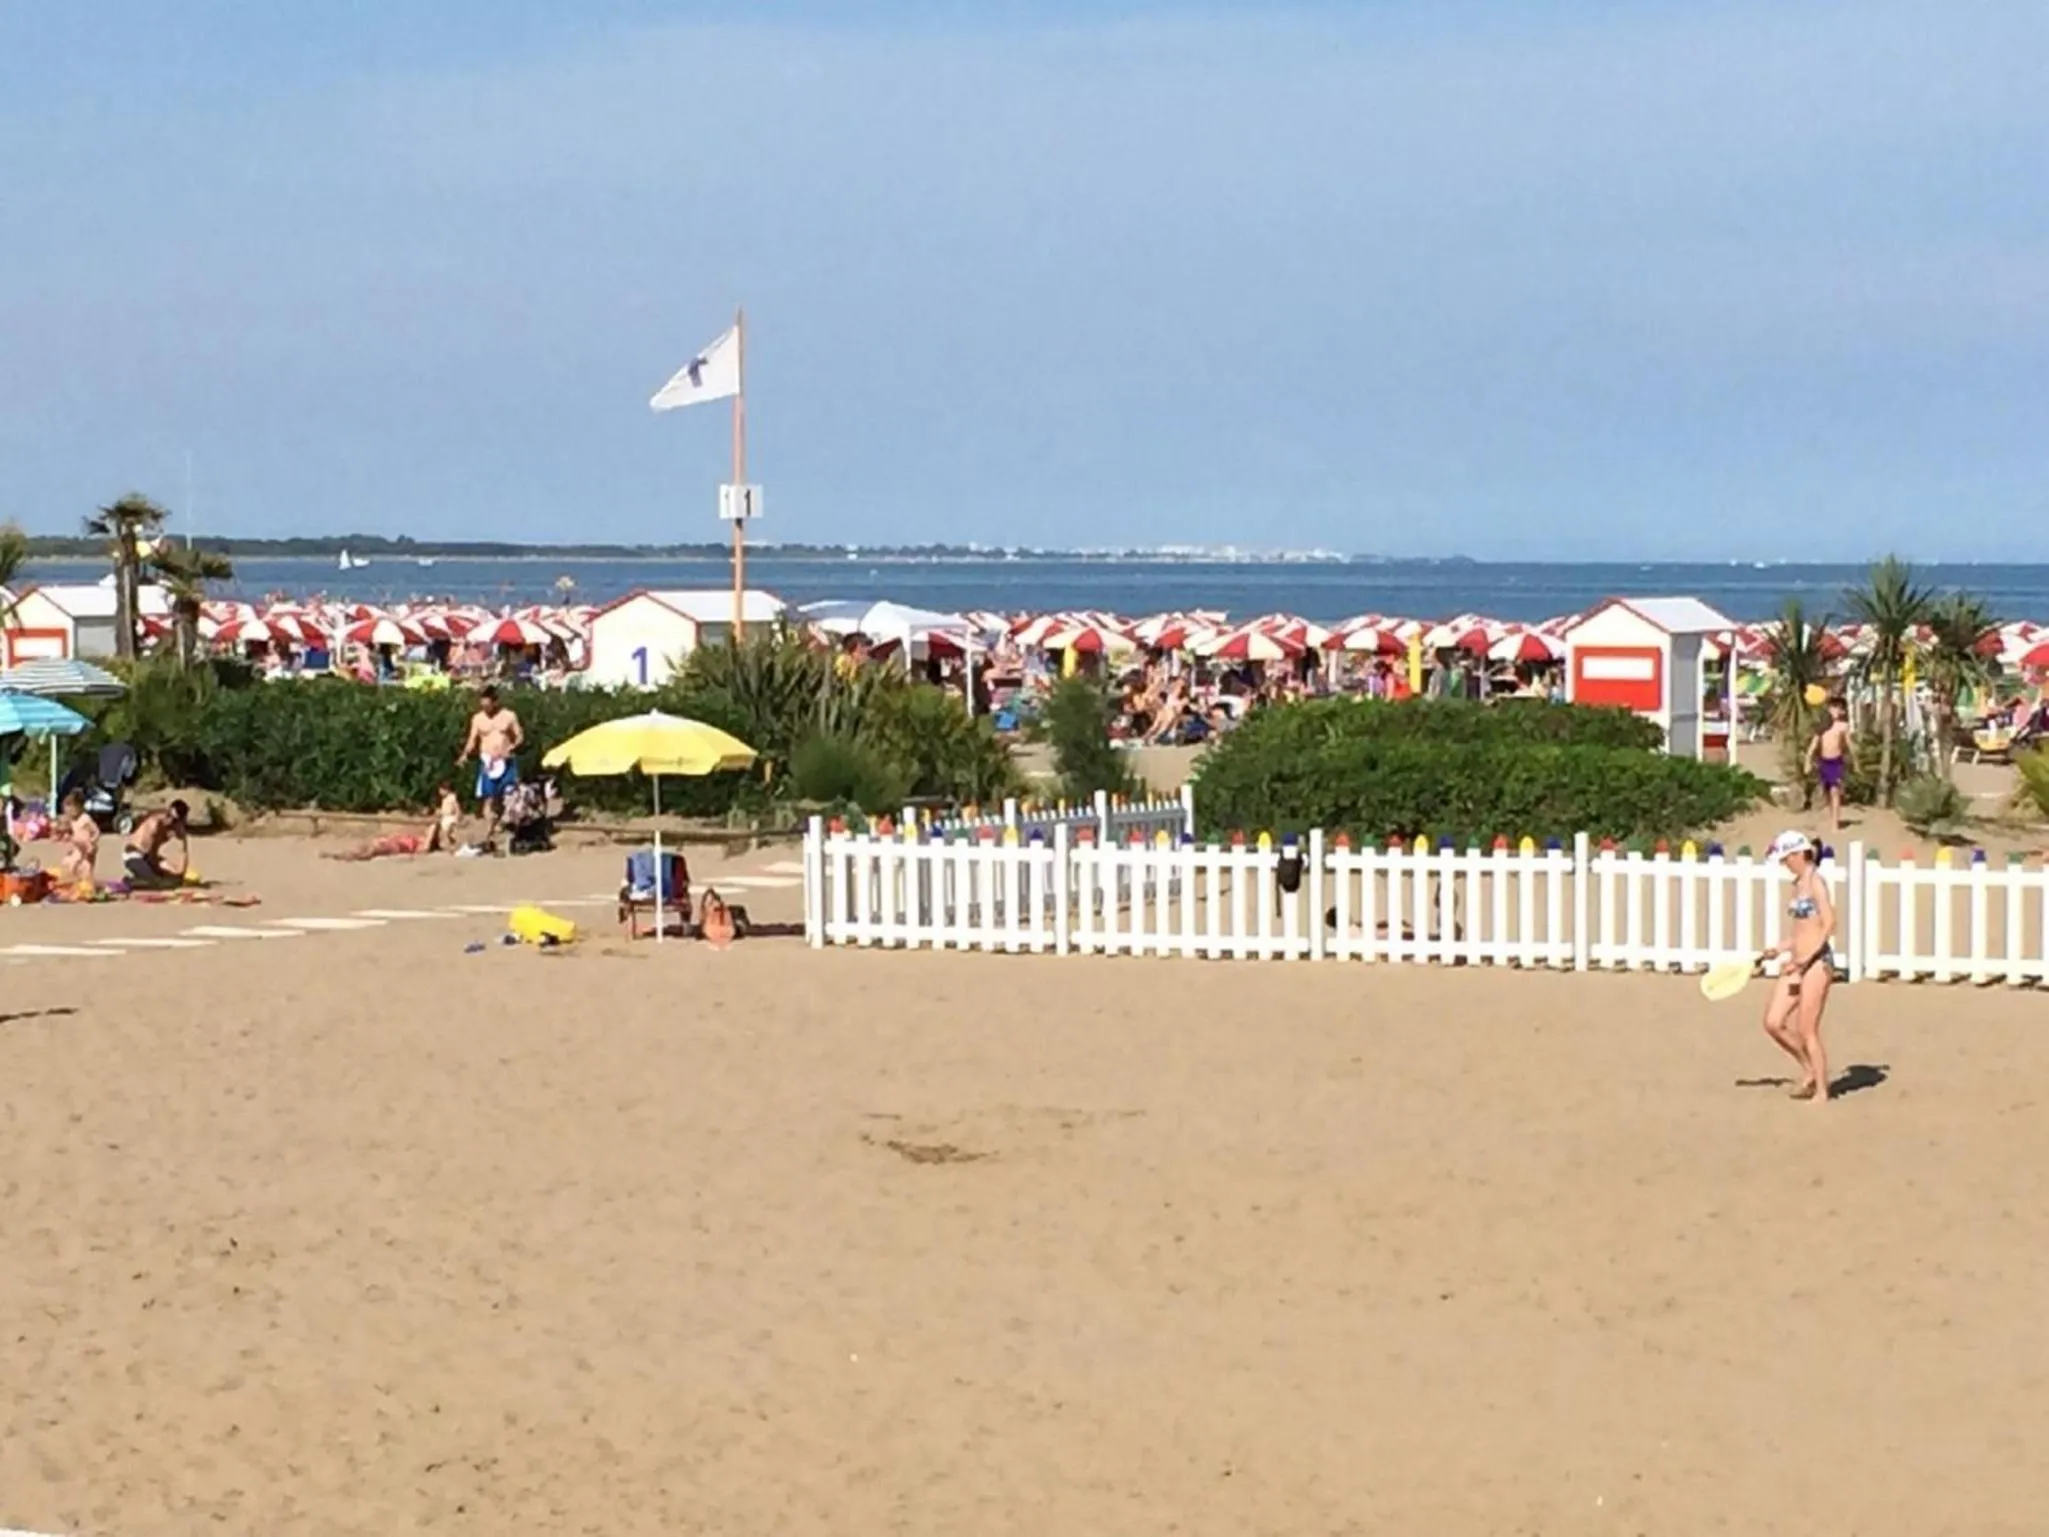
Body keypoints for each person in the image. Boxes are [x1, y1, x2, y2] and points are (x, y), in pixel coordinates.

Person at [1759, 829, 1837, 1105]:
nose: (1785, 864)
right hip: (1796, 963)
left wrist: (1807, 958)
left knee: (1807, 1030)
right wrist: (1780, 948)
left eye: (1786, 858)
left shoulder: (1817, 883)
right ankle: (1808, 1069)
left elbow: (1828, 925)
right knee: (1773, 1022)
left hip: (1816, 963)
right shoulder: (1797, 885)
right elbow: (1802, 931)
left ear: (1798, 854)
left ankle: (1821, 1091)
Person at [457, 686, 524, 848]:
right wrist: (465, 755)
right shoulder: (478, 719)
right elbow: (472, 739)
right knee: (489, 798)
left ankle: (504, 824)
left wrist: (514, 745)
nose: (485, 709)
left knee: (509, 795)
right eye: (483, 706)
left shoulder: (508, 716)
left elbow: (520, 735)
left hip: (505, 760)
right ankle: (490, 830)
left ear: (495, 702)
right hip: (488, 763)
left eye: (488, 705)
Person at [1806, 698, 1852, 832]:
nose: (1835, 711)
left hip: (1836, 761)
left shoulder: (1843, 726)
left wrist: (1855, 758)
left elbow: (1849, 743)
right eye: (1833, 708)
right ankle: (1833, 816)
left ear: (1842, 711)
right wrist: (1808, 761)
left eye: (1838, 708)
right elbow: (1813, 745)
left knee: (1835, 791)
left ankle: (1835, 824)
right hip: (1823, 761)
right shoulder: (1823, 726)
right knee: (1827, 792)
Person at [124, 800, 190, 888]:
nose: (170, 821)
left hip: (150, 857)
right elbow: (148, 853)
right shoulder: (154, 824)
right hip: (134, 855)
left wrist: (180, 874)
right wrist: (159, 869)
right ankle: (128, 881)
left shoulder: (172, 827)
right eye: (169, 817)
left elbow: (183, 851)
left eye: (175, 821)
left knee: (174, 878)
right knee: (156, 882)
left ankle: (145, 877)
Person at [58, 791, 99, 886]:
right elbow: (69, 832)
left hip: (88, 847)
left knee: (87, 867)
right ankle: (75, 881)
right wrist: (65, 836)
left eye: (71, 809)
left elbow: (96, 831)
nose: (69, 813)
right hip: (78, 847)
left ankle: (87, 884)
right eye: (66, 810)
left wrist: (93, 842)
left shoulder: (85, 818)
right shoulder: (73, 820)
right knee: (70, 863)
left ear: (80, 807)